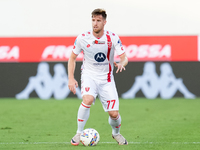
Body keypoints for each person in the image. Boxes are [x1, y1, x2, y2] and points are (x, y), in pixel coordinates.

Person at [68, 8, 128, 145]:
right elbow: (72, 58)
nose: (95, 23)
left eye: (98, 20)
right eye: (93, 20)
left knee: (114, 114)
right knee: (87, 99)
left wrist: (121, 63)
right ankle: (78, 133)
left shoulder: (112, 37)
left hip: (106, 79)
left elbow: (125, 58)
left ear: (104, 22)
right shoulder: (83, 38)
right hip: (89, 76)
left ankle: (116, 134)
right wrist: (71, 78)